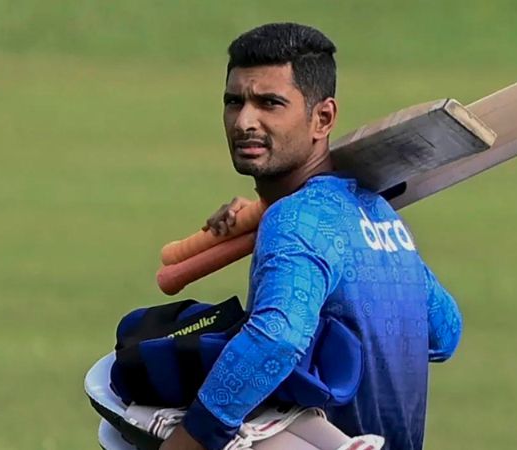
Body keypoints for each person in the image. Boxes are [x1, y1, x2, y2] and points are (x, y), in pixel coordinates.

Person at [159, 22, 462, 450]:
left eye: (270, 103)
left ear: (323, 118)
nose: (244, 121)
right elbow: (444, 332)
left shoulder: (295, 221)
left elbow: (276, 340)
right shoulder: (375, 214)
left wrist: (191, 437)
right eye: (234, 101)